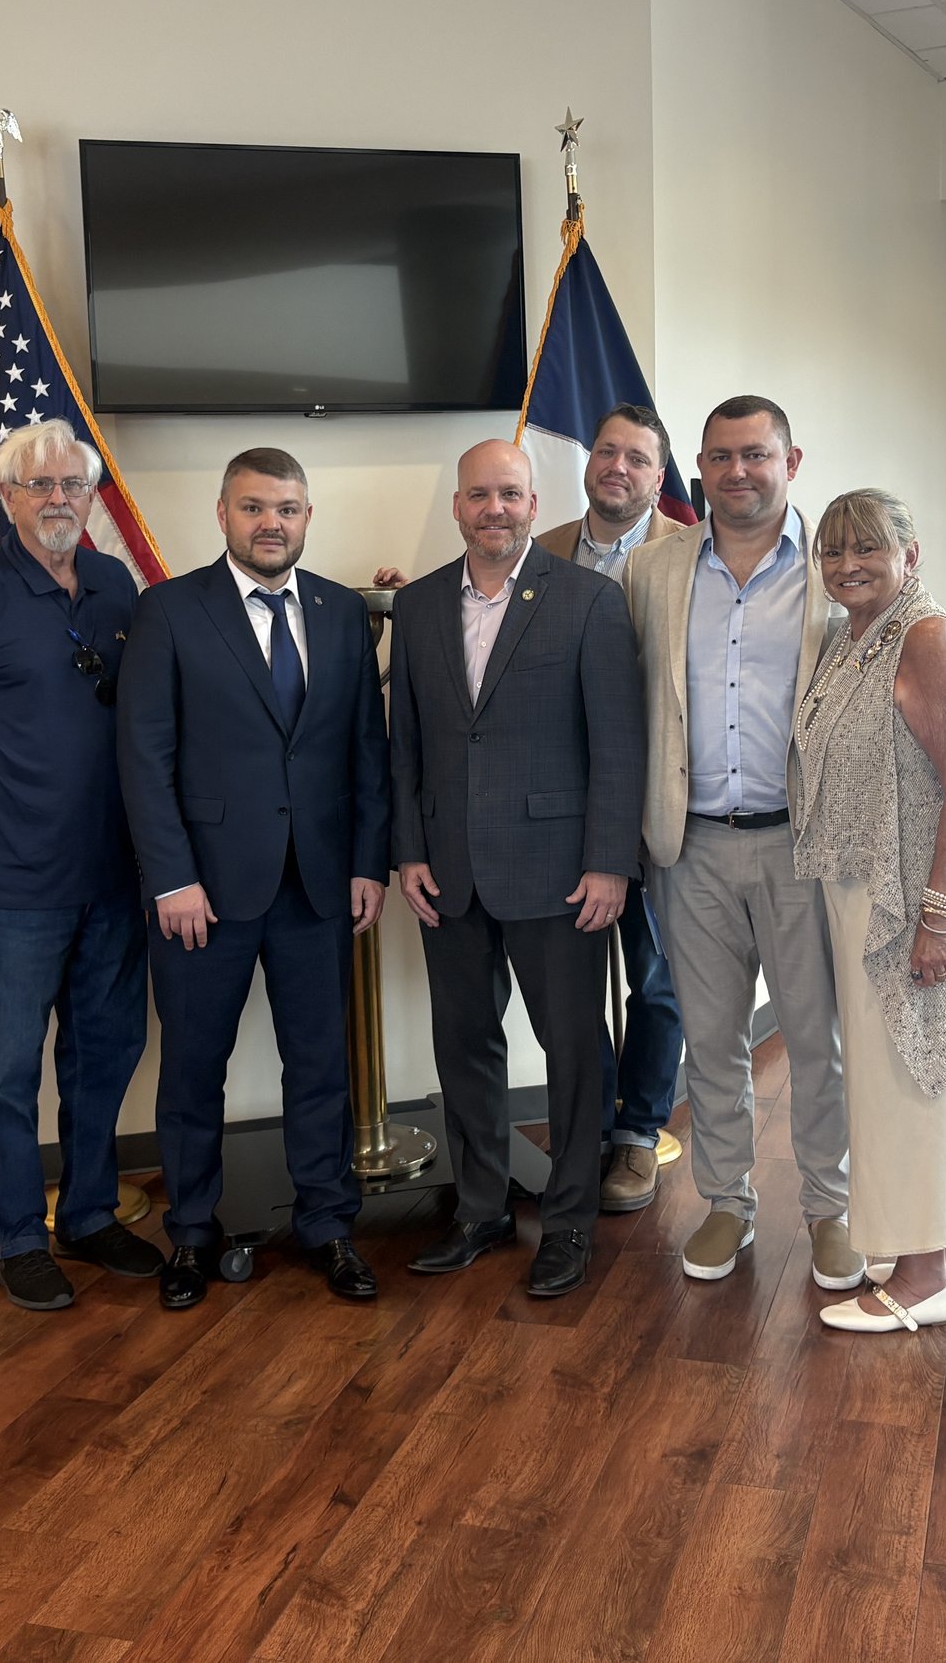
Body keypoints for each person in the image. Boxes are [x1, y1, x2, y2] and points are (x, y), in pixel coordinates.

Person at [623, 397, 946, 1293]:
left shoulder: (837, 573)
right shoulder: (653, 569)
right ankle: (726, 1201)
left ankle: (832, 1210)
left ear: (792, 461)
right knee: (711, 1039)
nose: (737, 470)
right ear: (701, 469)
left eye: (756, 453)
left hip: (806, 847)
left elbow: (921, 663)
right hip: (690, 847)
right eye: (720, 455)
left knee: (818, 1038)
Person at [117, 448, 391, 1309]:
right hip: (204, 892)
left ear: (307, 517)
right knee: (196, 1067)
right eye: (253, 507)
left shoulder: (344, 613)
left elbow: (365, 754)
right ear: (223, 514)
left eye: (288, 508)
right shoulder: (167, 611)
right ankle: (191, 1232)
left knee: (321, 1065)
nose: (271, 522)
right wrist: (171, 878)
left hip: (317, 886)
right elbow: (144, 754)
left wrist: (365, 864)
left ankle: (328, 1223)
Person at [0, 421, 168, 1312]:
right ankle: (17, 1235)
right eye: (40, 485)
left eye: (72, 484)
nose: (58, 498)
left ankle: (89, 1215)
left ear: (91, 495)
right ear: (8, 496)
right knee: (8, 1067)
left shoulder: (112, 585)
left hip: (112, 874)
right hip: (11, 882)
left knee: (104, 1056)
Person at [387, 439, 645, 1299]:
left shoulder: (588, 601)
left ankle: (568, 1222)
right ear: (457, 507)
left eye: (510, 493)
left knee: (573, 1053)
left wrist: (610, 863)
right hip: (448, 873)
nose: (493, 508)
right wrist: (408, 850)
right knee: (464, 1048)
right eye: (477, 495)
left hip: (561, 872)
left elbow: (617, 746)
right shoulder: (417, 606)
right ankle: (481, 1208)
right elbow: (407, 744)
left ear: (536, 504)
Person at [791, 489, 946, 1332]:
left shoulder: (922, 636)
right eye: (831, 552)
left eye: (868, 549)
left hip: (914, 894)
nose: (847, 565)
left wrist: (935, 916)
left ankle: (918, 1275)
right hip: (877, 883)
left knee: (904, 1073)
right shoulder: (857, 637)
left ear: (910, 556)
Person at [531, 405, 691, 1213]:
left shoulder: (689, 553)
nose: (617, 466)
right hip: (565, 810)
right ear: (588, 462)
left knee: (658, 981)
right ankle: (587, 1126)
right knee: (573, 986)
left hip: (660, 811)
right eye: (606, 451)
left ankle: (637, 1135)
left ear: (659, 478)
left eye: (637, 457)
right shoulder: (541, 547)